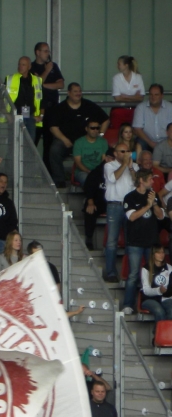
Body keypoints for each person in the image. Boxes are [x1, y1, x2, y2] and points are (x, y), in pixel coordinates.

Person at [44, 83, 108, 187]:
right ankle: (59, 180)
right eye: (75, 91)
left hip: (86, 142)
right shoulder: (60, 108)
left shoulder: (89, 105)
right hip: (66, 142)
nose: (78, 93)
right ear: (69, 93)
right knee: (54, 150)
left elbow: (106, 120)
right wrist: (64, 139)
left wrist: (100, 135)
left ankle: (98, 175)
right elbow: (53, 127)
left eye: (79, 91)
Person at [122, 171, 164, 314]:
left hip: (152, 242)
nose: (153, 182)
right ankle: (128, 304)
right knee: (133, 274)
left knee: (154, 274)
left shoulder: (153, 195)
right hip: (135, 242)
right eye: (150, 179)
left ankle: (152, 303)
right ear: (141, 180)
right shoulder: (130, 197)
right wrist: (147, 205)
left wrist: (154, 204)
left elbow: (160, 216)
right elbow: (132, 217)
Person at [102, 144, 139, 282]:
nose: (126, 153)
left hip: (130, 207)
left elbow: (137, 183)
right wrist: (124, 164)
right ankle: (111, 273)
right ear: (116, 153)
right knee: (112, 241)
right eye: (122, 151)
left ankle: (130, 273)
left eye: (128, 151)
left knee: (131, 241)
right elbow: (113, 178)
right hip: (115, 205)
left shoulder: (134, 166)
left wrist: (130, 167)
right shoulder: (109, 165)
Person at [6, 57, 43, 140]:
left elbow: (41, 100)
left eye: (23, 65)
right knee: (15, 142)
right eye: (19, 64)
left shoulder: (36, 80)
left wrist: (41, 115)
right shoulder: (10, 79)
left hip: (30, 117)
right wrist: (8, 115)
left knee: (30, 143)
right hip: (16, 116)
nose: (20, 67)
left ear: (29, 67)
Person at [133, 84, 172, 151]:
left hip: (166, 141)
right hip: (146, 141)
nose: (153, 97)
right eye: (151, 94)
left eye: (156, 95)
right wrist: (150, 143)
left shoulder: (170, 107)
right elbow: (137, 129)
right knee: (139, 143)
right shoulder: (141, 107)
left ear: (162, 95)